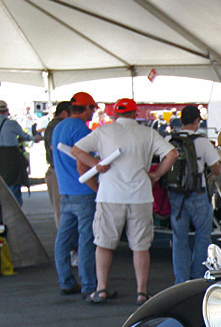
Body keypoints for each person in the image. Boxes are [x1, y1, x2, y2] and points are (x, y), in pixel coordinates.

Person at [72, 97, 178, 305]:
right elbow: (172, 154)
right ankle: (141, 292)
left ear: (115, 114)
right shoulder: (147, 133)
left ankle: (101, 289)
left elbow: (76, 150)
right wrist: (156, 176)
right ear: (135, 113)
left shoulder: (104, 131)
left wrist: (96, 164)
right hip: (140, 196)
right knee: (140, 246)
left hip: (110, 195)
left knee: (103, 244)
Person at [52, 92, 100, 298]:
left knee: (63, 239)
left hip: (66, 191)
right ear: (86, 108)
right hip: (84, 191)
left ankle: (66, 281)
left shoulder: (58, 128)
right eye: (93, 109)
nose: (93, 113)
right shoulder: (81, 129)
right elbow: (84, 161)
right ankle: (89, 284)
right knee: (86, 239)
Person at [168, 105, 221, 284]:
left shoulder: (169, 140)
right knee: (203, 236)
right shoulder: (203, 142)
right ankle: (198, 277)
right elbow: (217, 169)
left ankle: (181, 281)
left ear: (181, 120)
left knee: (179, 238)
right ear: (197, 121)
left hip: (176, 195)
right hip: (198, 194)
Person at [43, 101, 72, 229]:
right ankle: (68, 246)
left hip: (58, 172)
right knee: (62, 211)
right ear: (64, 113)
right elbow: (54, 148)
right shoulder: (57, 127)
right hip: (58, 172)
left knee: (63, 210)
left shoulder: (54, 126)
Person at [0, 99, 33, 208]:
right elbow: (25, 136)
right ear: (7, 111)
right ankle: (14, 218)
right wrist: (34, 137)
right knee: (13, 188)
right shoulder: (11, 124)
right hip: (10, 160)